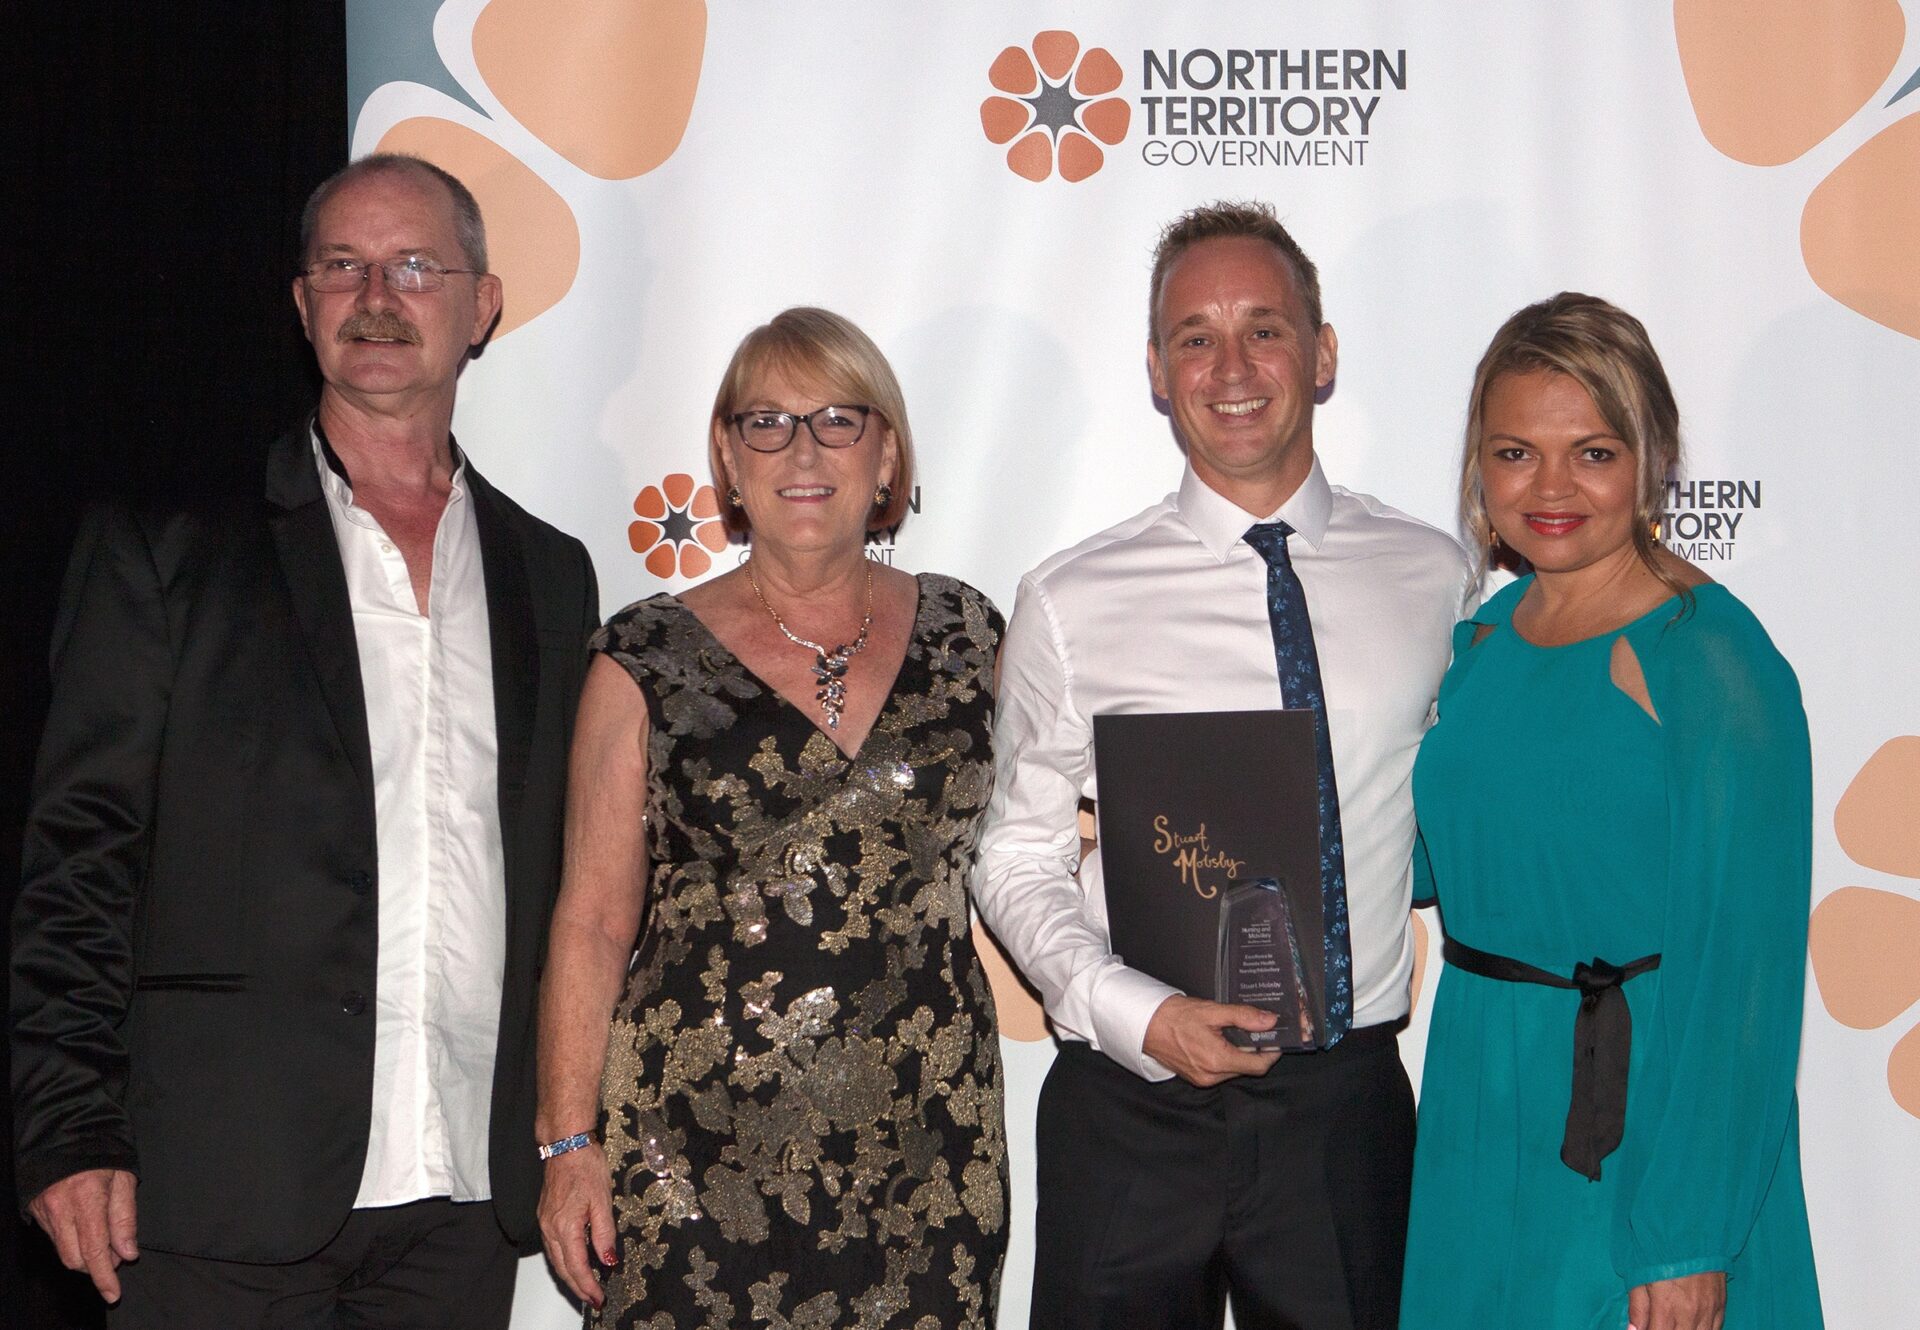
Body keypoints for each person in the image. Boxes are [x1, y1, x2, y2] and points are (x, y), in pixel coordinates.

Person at [9, 154, 599, 1327]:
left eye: (415, 265)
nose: (376, 295)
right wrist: (66, 1126)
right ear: (301, 303)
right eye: (343, 265)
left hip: (461, 1197)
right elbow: (79, 852)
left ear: (482, 305)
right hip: (218, 1189)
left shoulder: (549, 573)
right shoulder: (172, 538)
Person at [974, 200, 1471, 1330]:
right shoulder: (1072, 597)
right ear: (1157, 369)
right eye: (1195, 335)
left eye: (1266, 327)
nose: (1231, 365)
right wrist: (1130, 1011)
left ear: (1324, 350)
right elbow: (1015, 852)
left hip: (1342, 1107)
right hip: (1130, 1105)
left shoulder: (1434, 578)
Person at [534, 307, 1007, 1325]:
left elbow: (1044, 842)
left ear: (886, 457)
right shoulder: (642, 656)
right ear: (727, 455)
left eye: (839, 419)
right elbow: (592, 919)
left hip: (925, 1150)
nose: (802, 449)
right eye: (767, 422)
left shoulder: (972, 635)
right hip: (688, 1160)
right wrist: (569, 1142)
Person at [1399, 292, 1823, 1330]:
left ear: (1651, 457)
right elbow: (1424, 866)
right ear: (1479, 465)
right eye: (1514, 453)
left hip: (1644, 1123)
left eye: (1590, 452)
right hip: (1478, 1104)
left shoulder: (1712, 659)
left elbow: (1745, 973)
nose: (1549, 488)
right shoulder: (1482, 642)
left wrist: (1688, 1230)